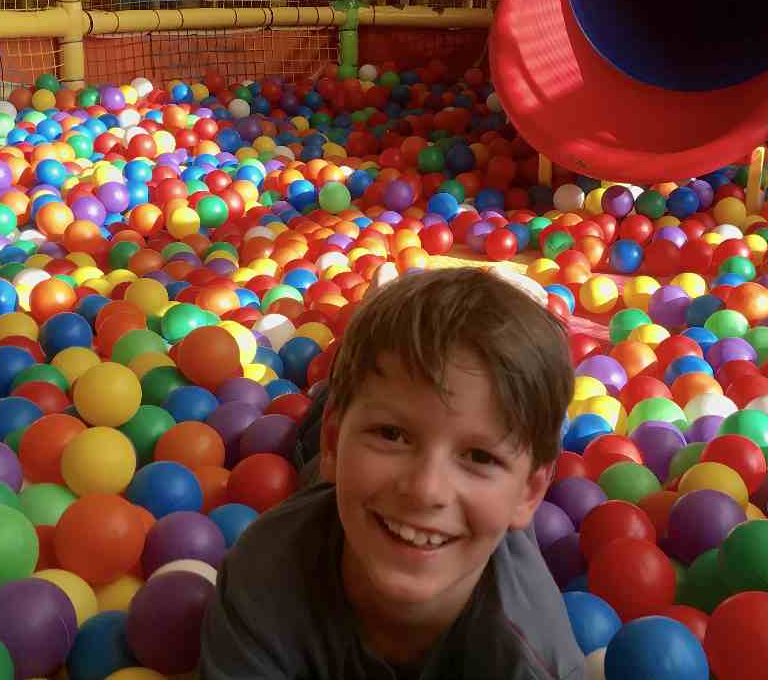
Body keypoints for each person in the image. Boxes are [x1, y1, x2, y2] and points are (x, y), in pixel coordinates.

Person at [200, 267, 585, 679]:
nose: (425, 489)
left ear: (531, 493)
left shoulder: (534, 662)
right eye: (392, 435)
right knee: (319, 426)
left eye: (479, 456)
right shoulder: (264, 575)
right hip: (330, 477)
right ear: (336, 443)